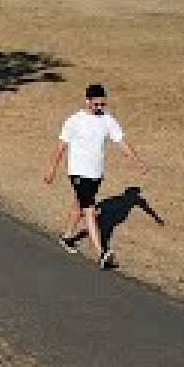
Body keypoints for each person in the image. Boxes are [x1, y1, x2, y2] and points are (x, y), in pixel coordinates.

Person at [43, 83, 149, 269]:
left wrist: (137, 161)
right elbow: (60, 148)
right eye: (96, 104)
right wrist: (51, 169)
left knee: (80, 204)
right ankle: (101, 253)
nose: (100, 108)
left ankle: (67, 237)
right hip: (78, 172)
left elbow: (121, 142)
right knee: (90, 210)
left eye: (103, 104)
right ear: (87, 101)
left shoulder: (108, 119)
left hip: (95, 173)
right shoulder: (74, 120)